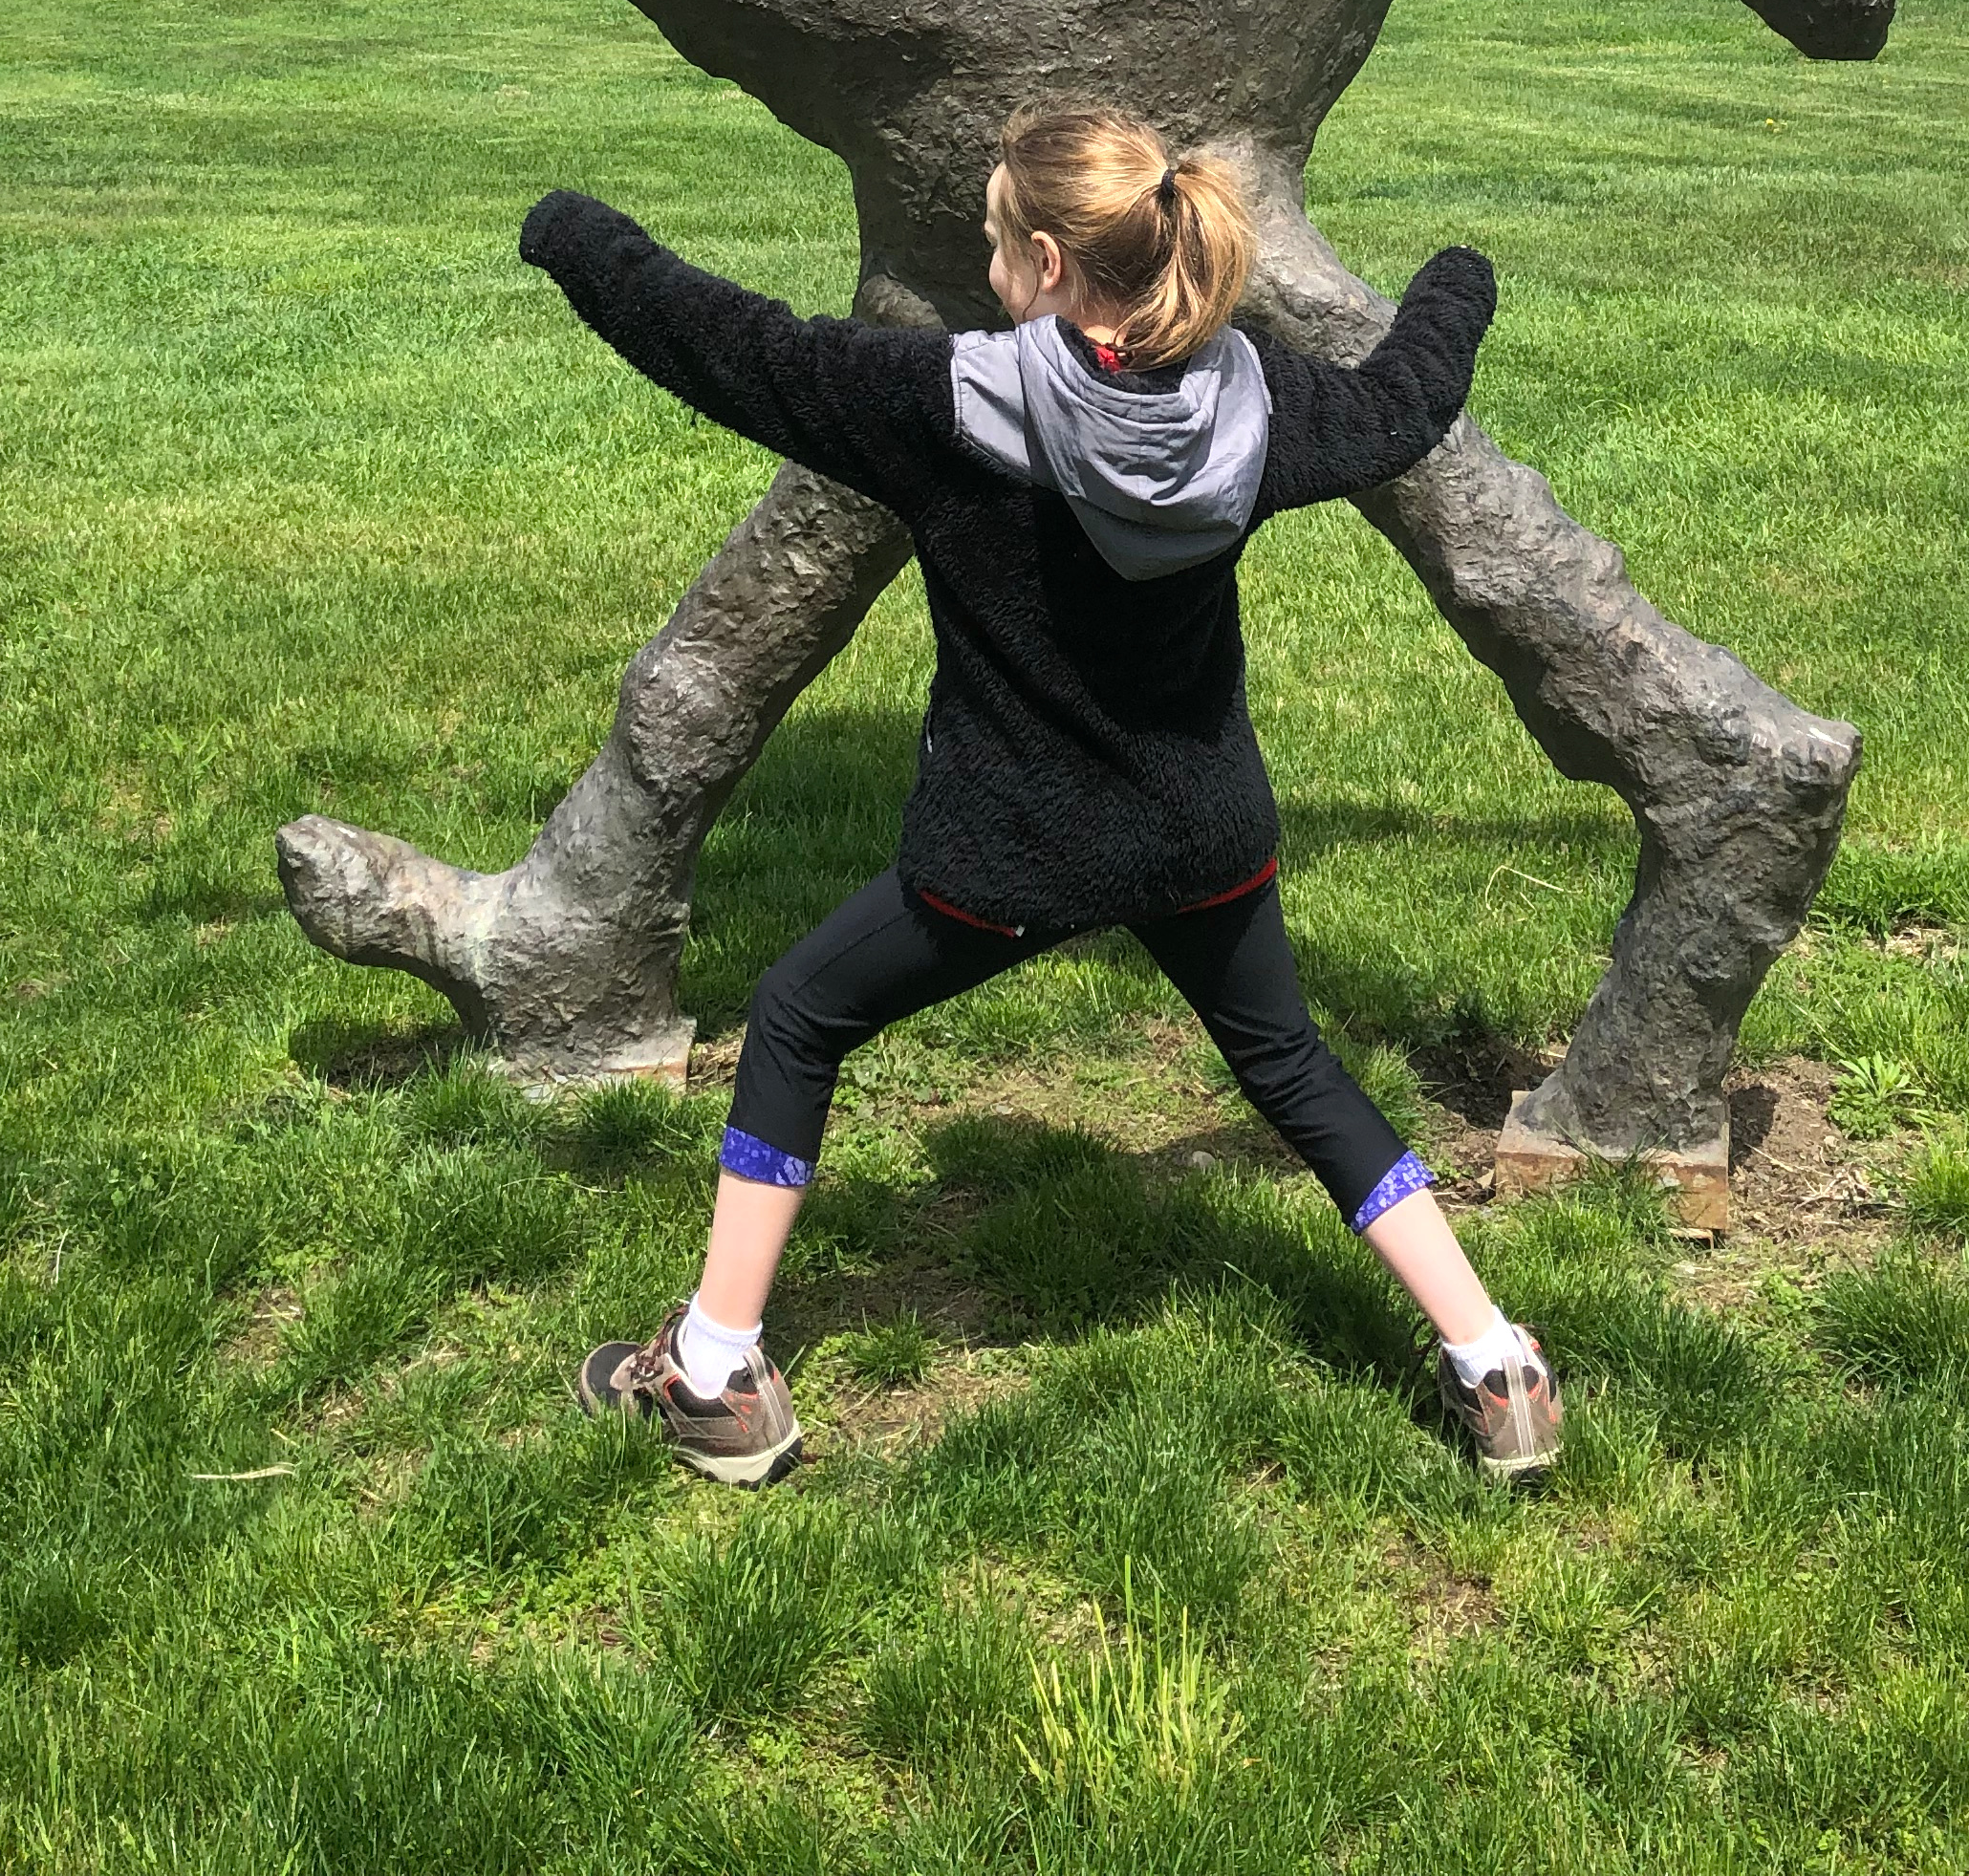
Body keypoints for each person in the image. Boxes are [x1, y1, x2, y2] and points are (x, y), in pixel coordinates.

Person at [521, 100, 1561, 1491]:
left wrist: (578, 238)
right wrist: (1459, 278)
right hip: (1207, 839)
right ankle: (1497, 1364)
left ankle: (714, 1372)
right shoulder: (1262, 405)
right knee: (1295, 1070)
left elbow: (736, 349)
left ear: (1053, 267)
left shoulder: (940, 406)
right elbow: (1407, 400)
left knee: (796, 1015)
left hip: (1004, 856)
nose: (988, 257)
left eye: (1000, 236)